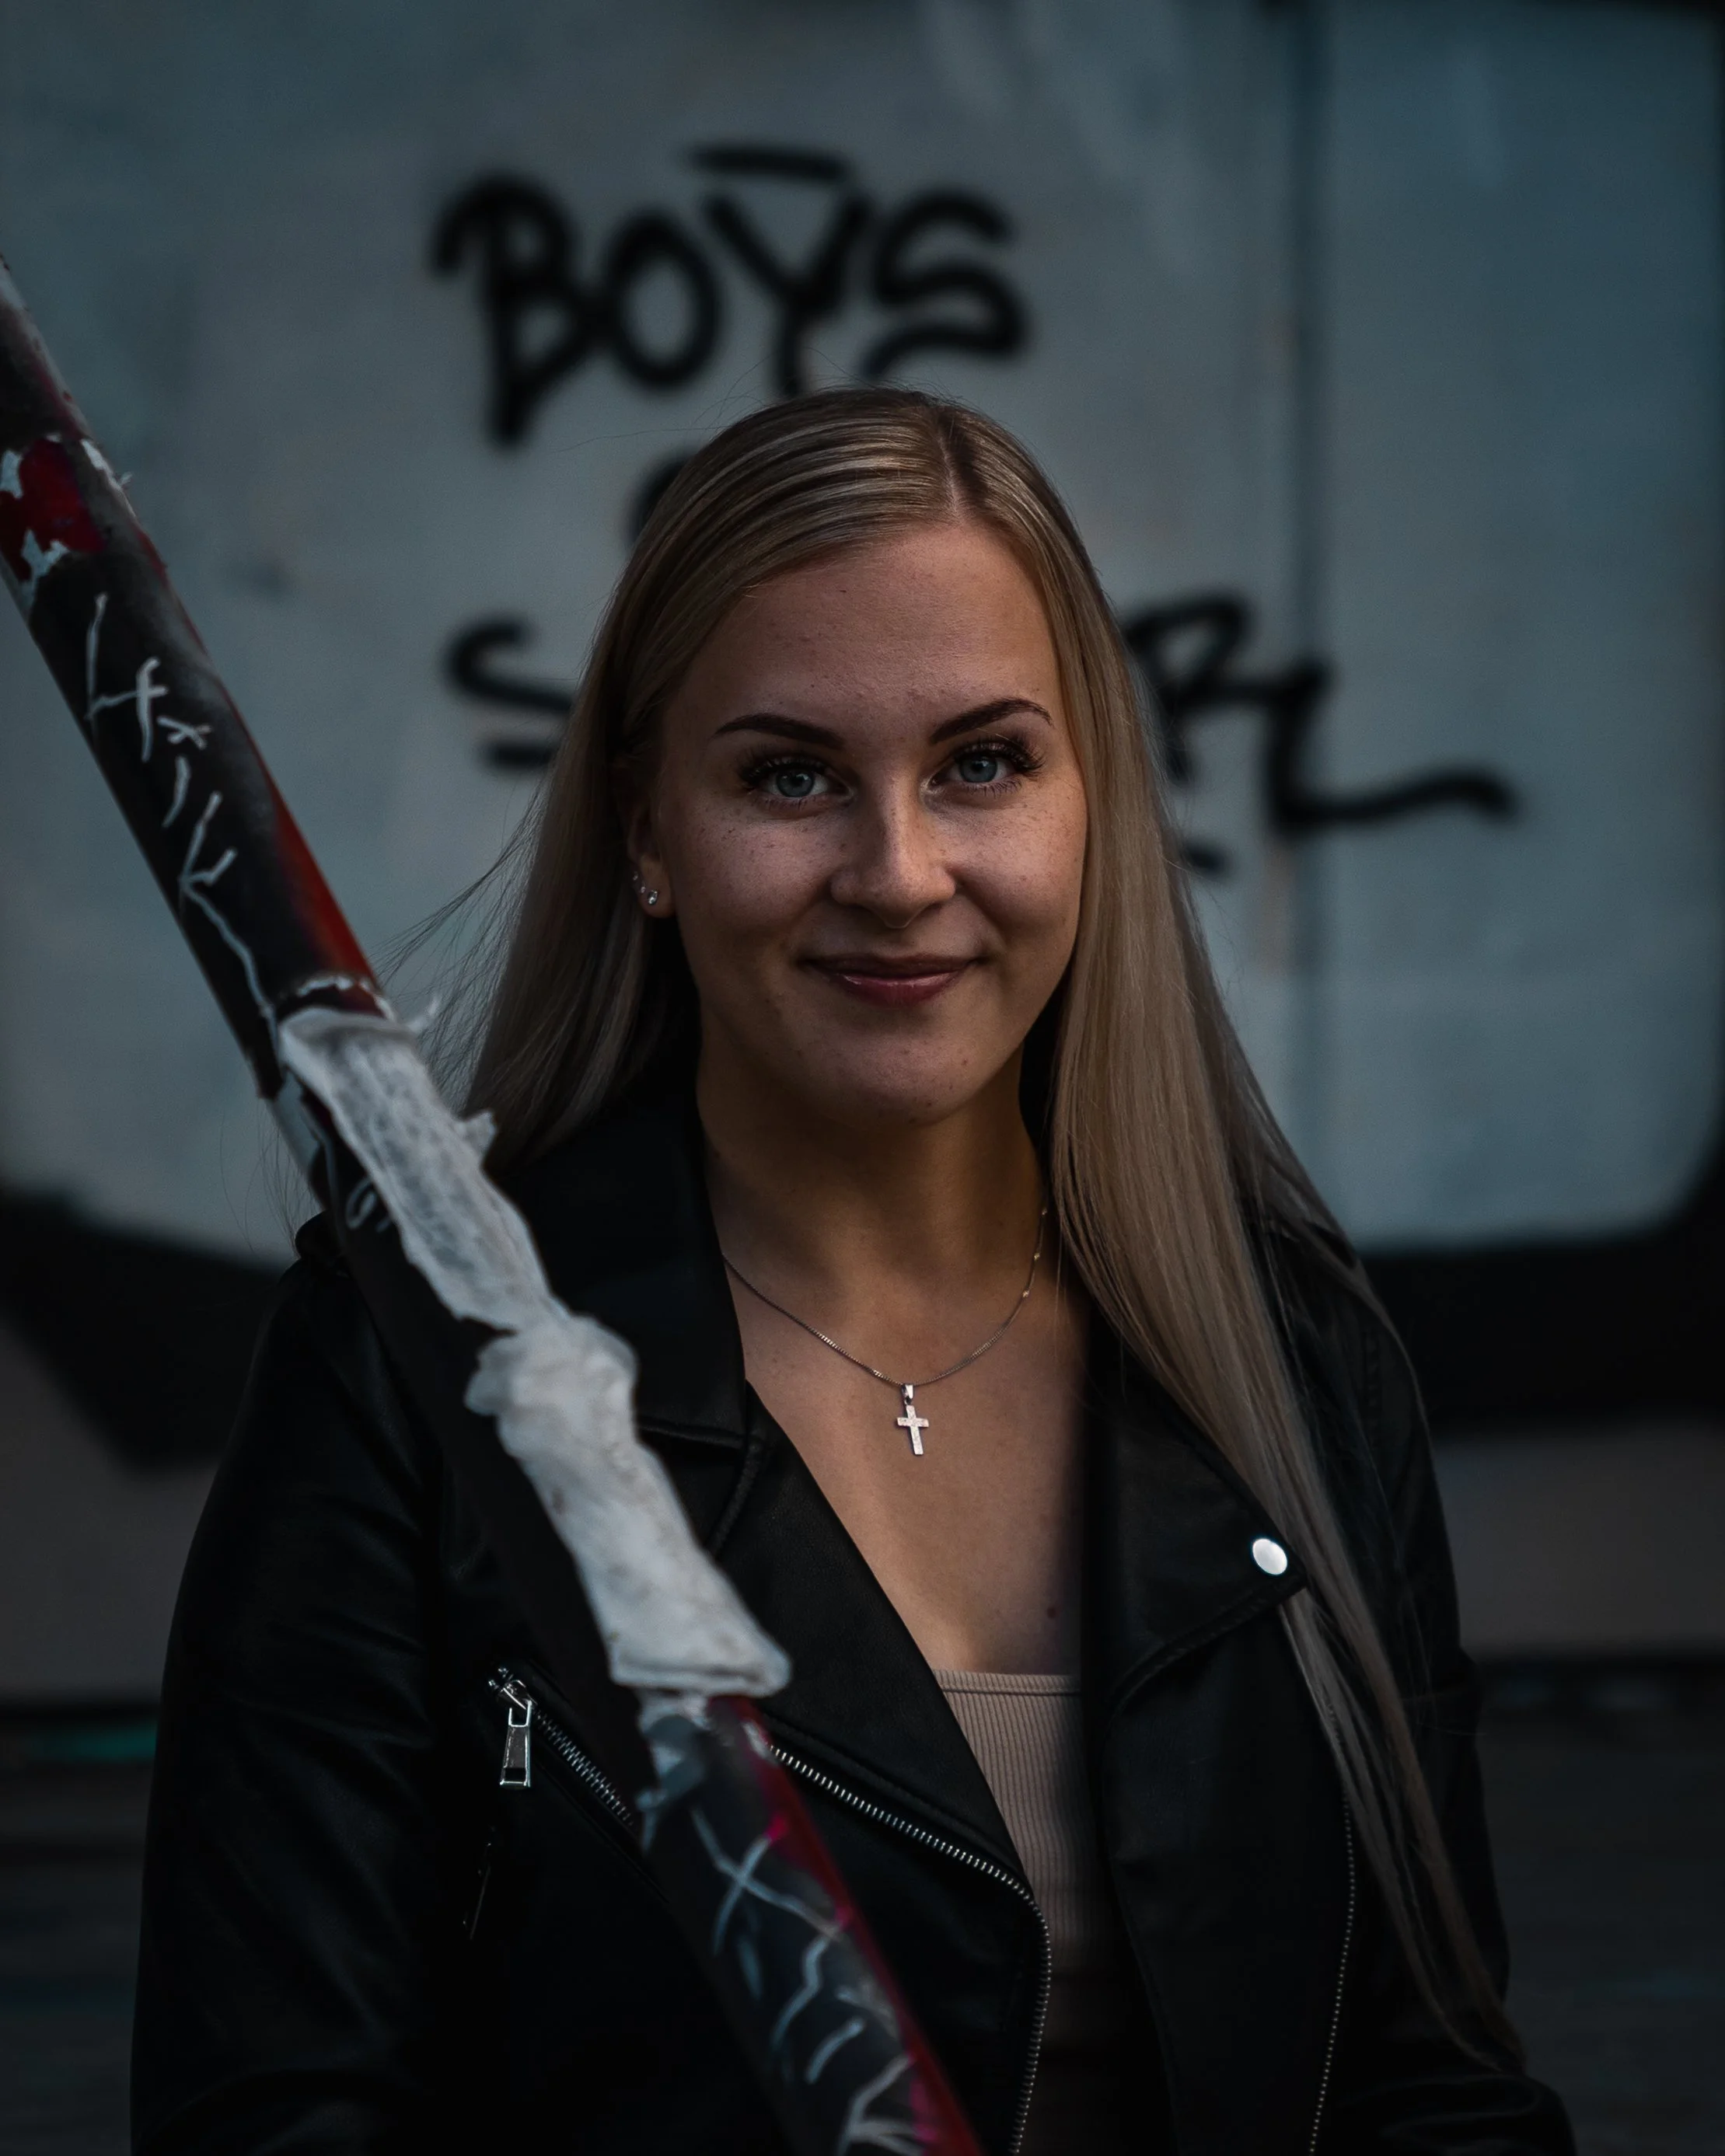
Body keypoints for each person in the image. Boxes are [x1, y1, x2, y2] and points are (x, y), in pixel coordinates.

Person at [133, 389, 1573, 2154]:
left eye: (981, 762)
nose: (898, 873)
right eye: (788, 775)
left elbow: (1429, 2091)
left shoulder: (1293, 1366)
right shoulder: (410, 1375)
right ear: (649, 829)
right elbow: (274, 2111)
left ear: (1092, 806)